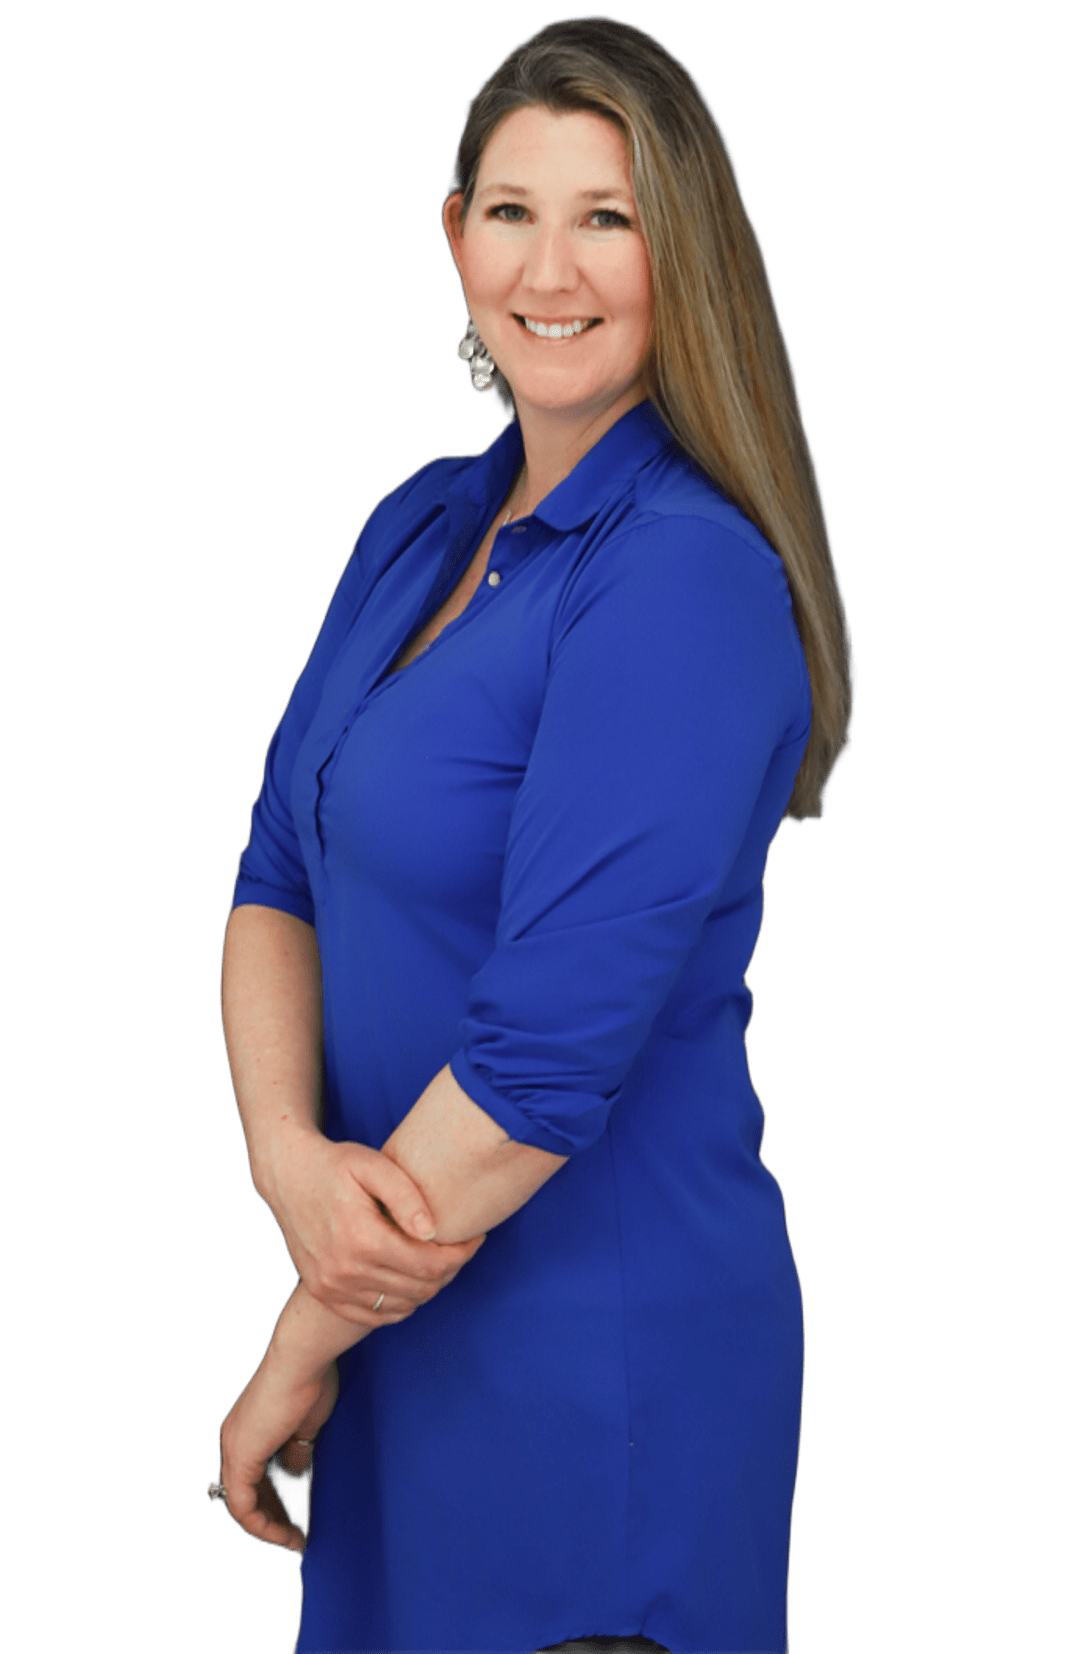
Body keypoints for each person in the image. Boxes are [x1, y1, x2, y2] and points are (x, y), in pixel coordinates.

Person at [210, 15, 854, 1654]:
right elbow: (275, 875)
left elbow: (540, 1063)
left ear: (680, 254)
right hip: (402, 1333)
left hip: (599, 1380)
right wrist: (291, 1167)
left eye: (609, 217)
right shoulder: (419, 521)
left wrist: (303, 1334)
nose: (549, 266)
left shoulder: (687, 579)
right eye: (512, 210)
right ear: (454, 236)